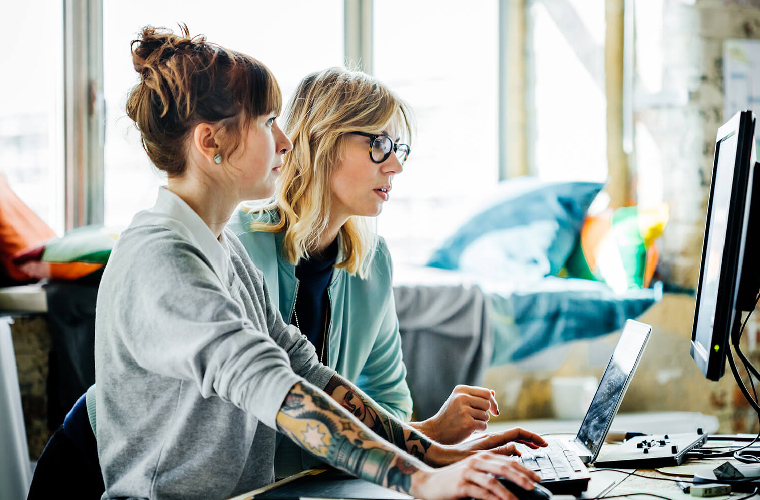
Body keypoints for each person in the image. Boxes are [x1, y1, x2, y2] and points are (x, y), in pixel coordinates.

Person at [81, 25, 544, 500]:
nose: (285, 141)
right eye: (266, 123)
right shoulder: (163, 256)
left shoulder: (223, 250)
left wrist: (436, 454)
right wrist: (421, 480)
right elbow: (270, 383)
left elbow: (307, 371)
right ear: (210, 142)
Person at [228, 67, 505, 476]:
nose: (395, 166)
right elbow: (245, 419)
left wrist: (423, 441)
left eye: (399, 149)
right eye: (379, 144)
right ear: (321, 140)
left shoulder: (372, 263)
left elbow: (391, 403)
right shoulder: (239, 246)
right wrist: (428, 438)